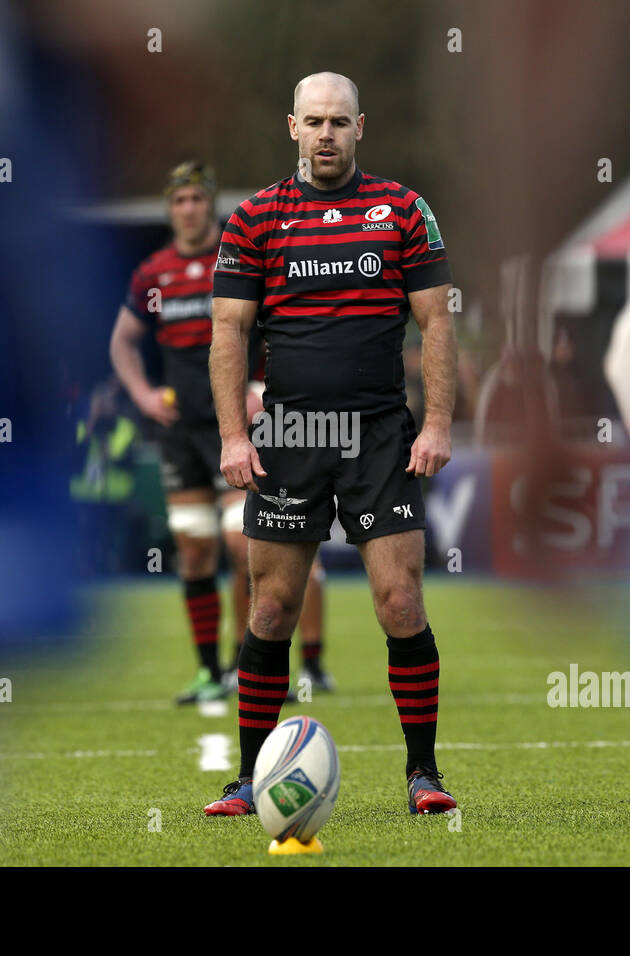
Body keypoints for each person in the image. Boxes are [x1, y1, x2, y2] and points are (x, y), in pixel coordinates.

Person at [203, 72, 458, 816]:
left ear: (359, 127)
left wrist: (437, 423)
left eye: (338, 122)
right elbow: (229, 330)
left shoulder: (404, 209)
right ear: (291, 127)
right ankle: (249, 780)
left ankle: (424, 775)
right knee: (273, 607)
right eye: (312, 121)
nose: (325, 134)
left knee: (399, 601)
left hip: (380, 433)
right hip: (289, 433)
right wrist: (232, 435)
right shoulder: (255, 218)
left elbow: (436, 323)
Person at [109, 161, 329, 704]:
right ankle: (209, 670)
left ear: (211, 204)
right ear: (170, 208)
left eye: (196, 199)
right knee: (193, 547)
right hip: (181, 430)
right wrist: (141, 394)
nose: (188, 208)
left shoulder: (234, 257)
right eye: (179, 200)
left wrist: (258, 381)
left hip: (236, 425)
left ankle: (244, 661)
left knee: (243, 544)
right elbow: (122, 341)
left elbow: (280, 324)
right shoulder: (153, 272)